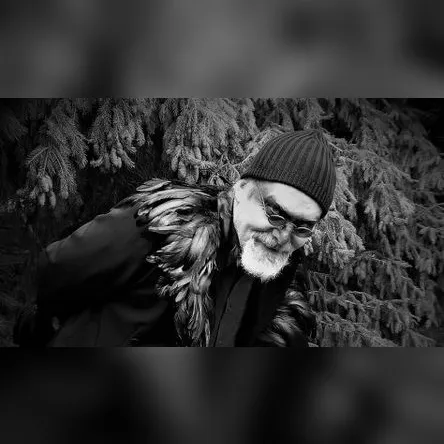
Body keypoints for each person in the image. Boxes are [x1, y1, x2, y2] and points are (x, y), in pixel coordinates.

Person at [14, 129, 336, 347]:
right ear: (241, 189)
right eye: (275, 213)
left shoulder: (277, 274)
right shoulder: (158, 227)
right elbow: (56, 269)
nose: (283, 236)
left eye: (302, 226)